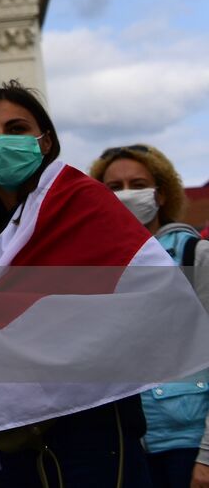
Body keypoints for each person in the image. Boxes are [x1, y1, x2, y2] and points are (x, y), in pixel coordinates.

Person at [0, 82, 209, 487]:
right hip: (15, 448)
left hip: (95, 442)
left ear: (45, 141)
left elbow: (151, 306)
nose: (2, 142)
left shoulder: (85, 205)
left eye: (17, 128)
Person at [91, 144, 209, 488]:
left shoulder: (194, 255)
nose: (127, 194)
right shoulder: (98, 267)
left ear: (160, 194)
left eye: (138, 184)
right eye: (114, 188)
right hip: (129, 446)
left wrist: (206, 455)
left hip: (188, 446)